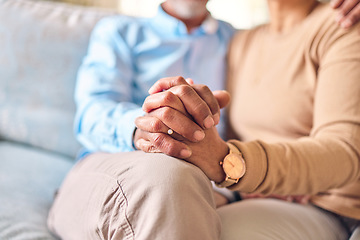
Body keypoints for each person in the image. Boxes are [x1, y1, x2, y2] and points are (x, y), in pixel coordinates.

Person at [47, 0, 360, 239]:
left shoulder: (233, 41)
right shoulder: (121, 32)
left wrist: (243, 172)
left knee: (177, 185)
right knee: (168, 180)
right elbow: (91, 113)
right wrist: (145, 128)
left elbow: (239, 148)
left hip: (213, 186)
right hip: (122, 162)